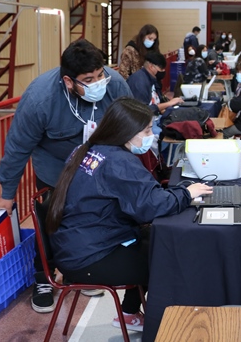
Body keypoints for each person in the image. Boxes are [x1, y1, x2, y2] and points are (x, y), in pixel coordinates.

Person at [46, 97, 213, 332]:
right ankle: (167, 329)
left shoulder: (88, 149)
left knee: (154, 240)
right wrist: (187, 193)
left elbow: (140, 200)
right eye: (146, 130)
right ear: (125, 131)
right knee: (169, 255)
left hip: (75, 245)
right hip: (90, 256)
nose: (151, 135)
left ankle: (129, 314)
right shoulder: (118, 162)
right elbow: (153, 205)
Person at [0, 39, 133, 313]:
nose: (98, 82)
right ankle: (43, 277)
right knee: (51, 222)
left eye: (100, 74)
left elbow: (133, 122)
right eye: (89, 79)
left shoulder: (114, 84)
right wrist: (6, 196)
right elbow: (17, 148)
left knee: (94, 219)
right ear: (69, 81)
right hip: (54, 168)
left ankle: (85, 269)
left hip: (98, 166)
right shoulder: (40, 99)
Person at [127, 52, 182, 116]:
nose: (163, 71)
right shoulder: (139, 82)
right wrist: (169, 103)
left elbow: (159, 100)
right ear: (151, 67)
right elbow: (142, 110)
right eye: (161, 68)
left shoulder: (153, 78)